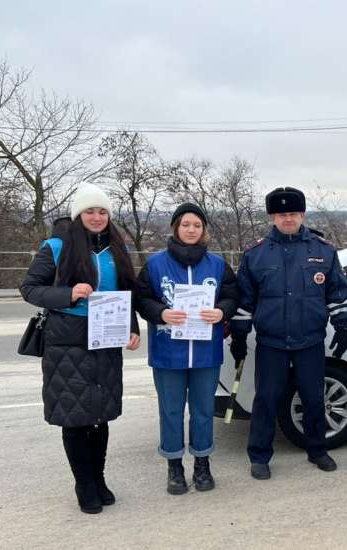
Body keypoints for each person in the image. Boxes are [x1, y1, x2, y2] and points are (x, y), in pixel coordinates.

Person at [20, 182, 141, 514]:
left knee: (100, 416)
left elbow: (124, 294)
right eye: (90, 210)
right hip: (68, 343)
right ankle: (83, 484)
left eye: (103, 211)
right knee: (76, 418)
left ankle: (99, 479)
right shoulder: (56, 246)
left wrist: (131, 329)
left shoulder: (117, 248)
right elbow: (30, 288)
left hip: (107, 339)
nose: (97, 217)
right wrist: (68, 294)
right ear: (78, 214)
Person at [230, 187, 347, 480]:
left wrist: (342, 325)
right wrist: (238, 335)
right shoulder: (256, 255)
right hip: (271, 342)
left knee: (313, 398)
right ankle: (259, 456)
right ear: (272, 216)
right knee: (266, 399)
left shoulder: (323, 251)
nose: (288, 218)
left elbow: (336, 292)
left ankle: (317, 450)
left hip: (309, 339)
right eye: (282, 214)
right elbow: (245, 300)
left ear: (302, 214)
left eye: (294, 213)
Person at [136, 203, 239, 494]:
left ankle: (203, 464)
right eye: (186, 225)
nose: (191, 230)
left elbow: (233, 296)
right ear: (176, 228)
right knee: (170, 411)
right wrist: (160, 313)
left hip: (206, 352)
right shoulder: (156, 264)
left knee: (204, 410)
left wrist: (222, 312)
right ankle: (174, 466)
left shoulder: (217, 265)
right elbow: (141, 299)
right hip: (169, 353)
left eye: (197, 225)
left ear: (203, 229)